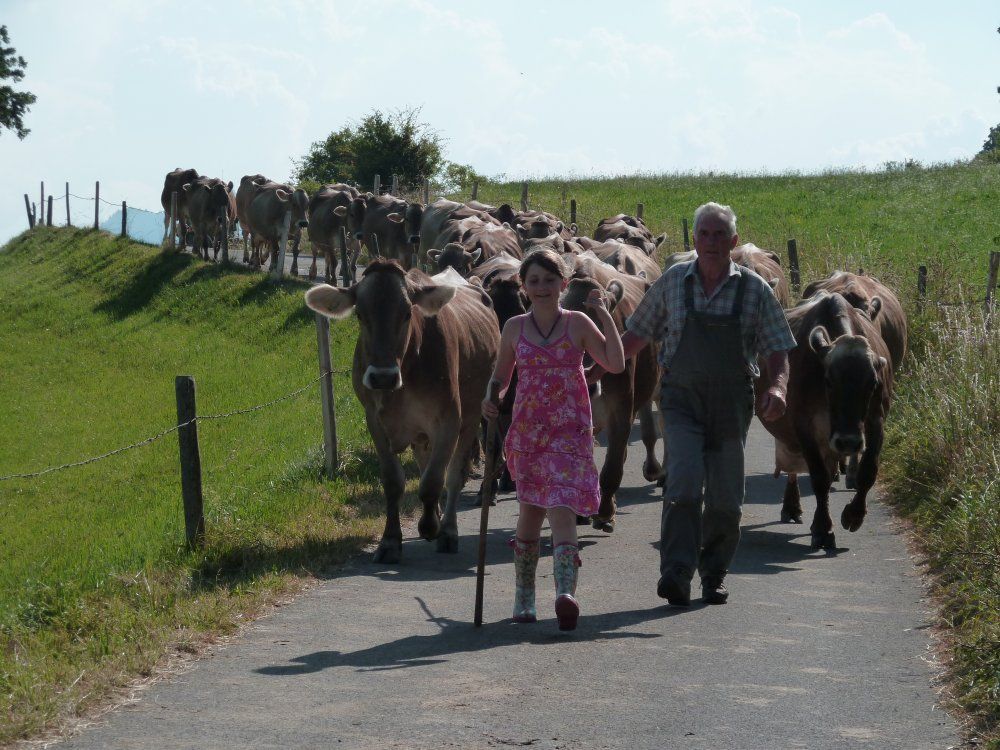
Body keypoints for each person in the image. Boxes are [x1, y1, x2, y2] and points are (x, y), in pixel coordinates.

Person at [619, 202, 795, 606]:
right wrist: (590, 370)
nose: (712, 242)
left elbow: (778, 349)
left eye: (720, 235)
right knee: (682, 479)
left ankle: (713, 573)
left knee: (725, 496)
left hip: (731, 404)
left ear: (733, 241)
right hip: (680, 399)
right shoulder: (673, 282)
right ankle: (676, 572)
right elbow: (636, 337)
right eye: (705, 234)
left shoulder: (754, 289)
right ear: (694, 240)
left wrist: (780, 387)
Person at [482, 248, 625, 630]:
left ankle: (565, 593)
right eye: (534, 281)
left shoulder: (577, 323)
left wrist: (605, 316)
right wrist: (491, 398)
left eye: (549, 280)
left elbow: (615, 362)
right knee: (529, 512)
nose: (542, 287)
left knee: (562, 509)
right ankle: (524, 597)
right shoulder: (514, 327)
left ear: (563, 284)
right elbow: (501, 377)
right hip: (529, 430)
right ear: (524, 287)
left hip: (569, 430)